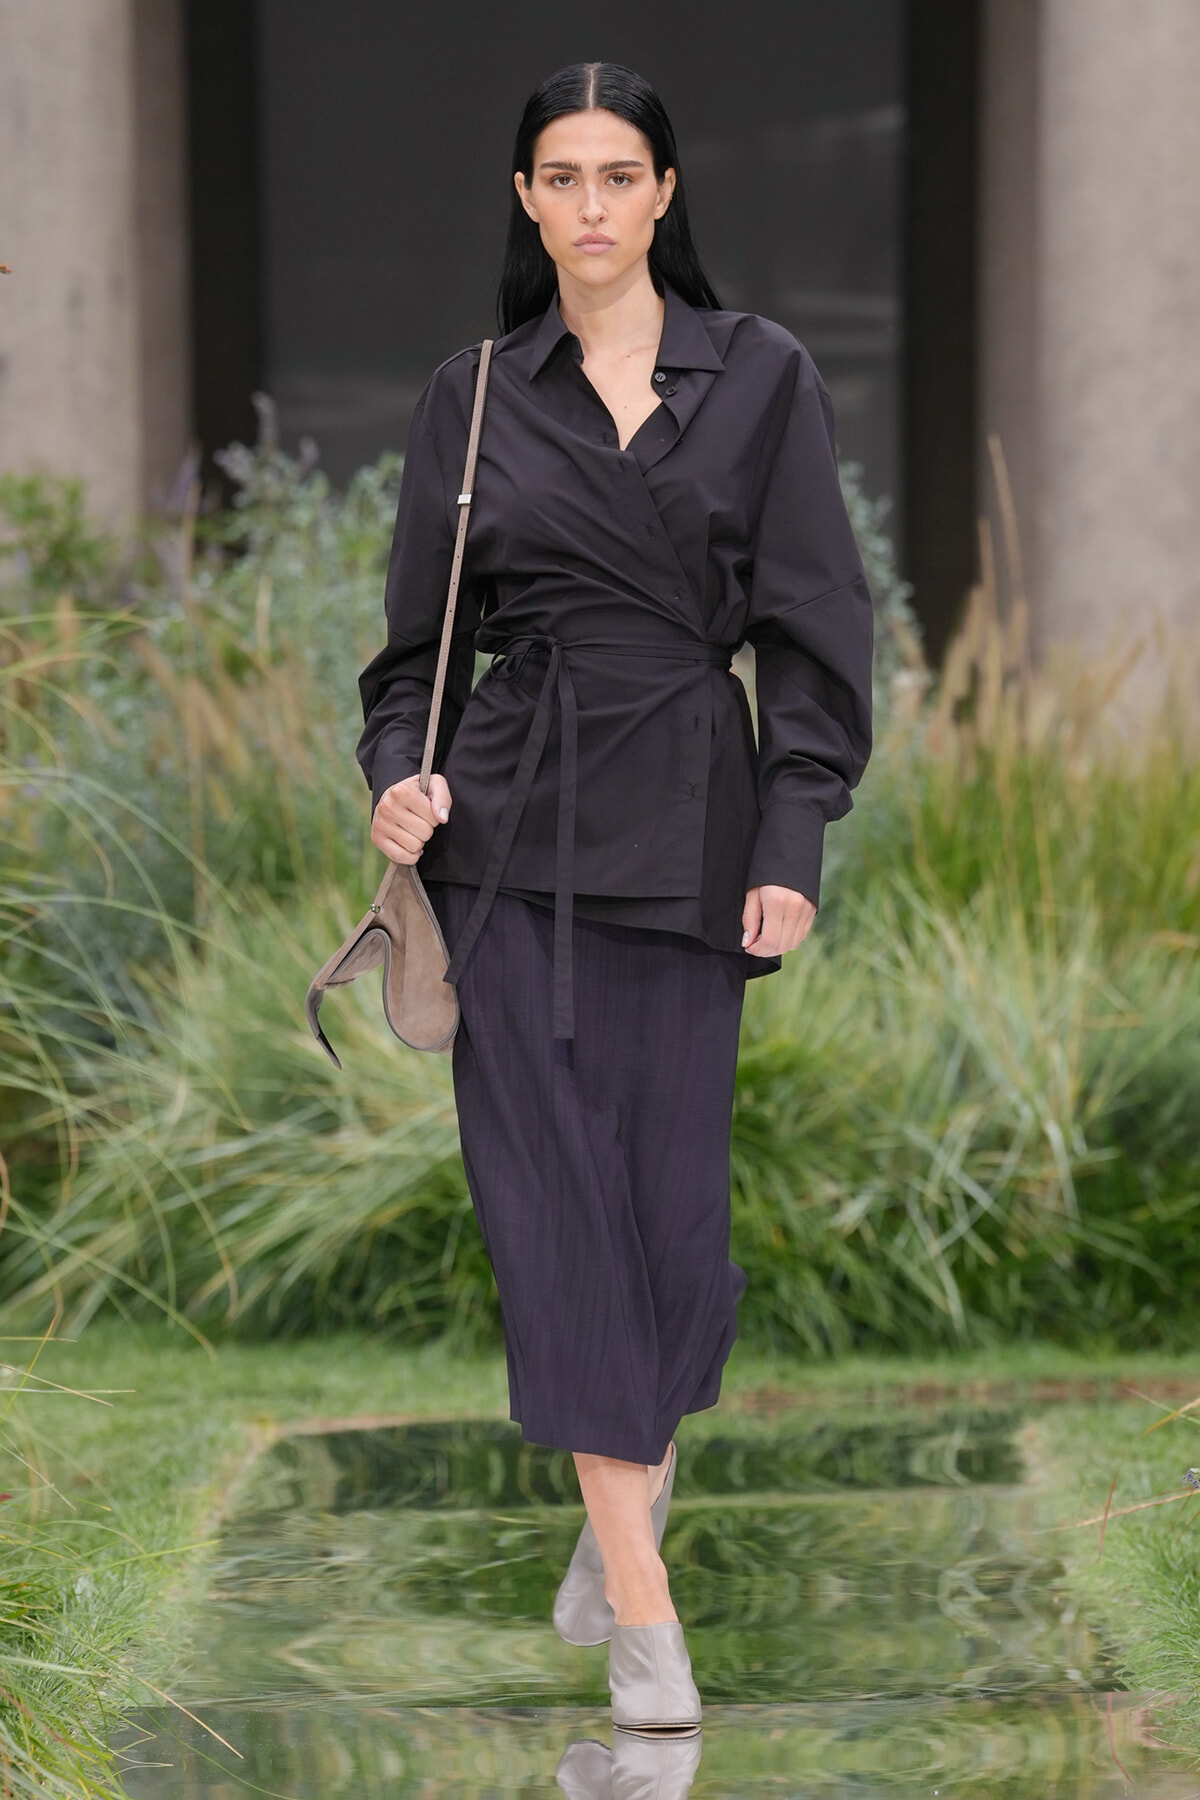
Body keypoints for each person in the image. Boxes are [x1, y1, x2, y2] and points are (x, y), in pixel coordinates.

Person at [356, 60, 873, 1737]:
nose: (590, 205)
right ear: (526, 200)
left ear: (666, 194)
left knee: (674, 1239)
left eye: (619, 175)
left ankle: (615, 1505)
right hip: (505, 844)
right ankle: (646, 1620)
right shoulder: (474, 396)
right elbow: (413, 662)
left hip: (692, 839)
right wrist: (399, 777)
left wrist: (795, 839)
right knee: (552, 1209)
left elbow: (813, 630)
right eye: (560, 176)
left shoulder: (764, 376)